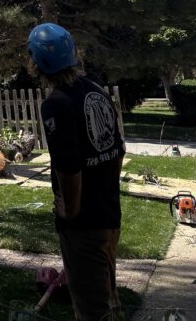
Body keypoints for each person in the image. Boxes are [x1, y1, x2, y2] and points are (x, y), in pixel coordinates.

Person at [29, 22, 125, 321]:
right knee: (108, 297)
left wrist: (70, 210)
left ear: (37, 62)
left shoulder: (56, 105)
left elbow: (68, 168)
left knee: (92, 310)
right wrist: (106, 185)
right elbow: (118, 150)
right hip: (109, 213)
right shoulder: (95, 92)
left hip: (85, 226)